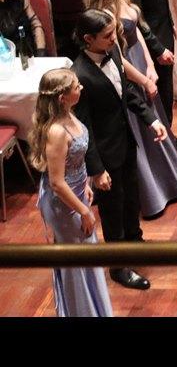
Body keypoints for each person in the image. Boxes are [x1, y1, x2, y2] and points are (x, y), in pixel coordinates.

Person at [85, 0, 177, 215]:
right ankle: (152, 194)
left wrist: (150, 65)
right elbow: (117, 58)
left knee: (154, 121)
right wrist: (142, 79)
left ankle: (169, 180)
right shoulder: (102, 13)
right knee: (139, 129)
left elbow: (138, 31)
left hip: (139, 62)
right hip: (127, 71)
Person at [72, 9, 168, 292]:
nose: (114, 39)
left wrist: (151, 119)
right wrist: (96, 170)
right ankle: (118, 266)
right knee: (112, 211)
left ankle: (136, 245)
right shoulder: (80, 75)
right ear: (88, 39)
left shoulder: (112, 53)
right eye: (107, 36)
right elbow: (84, 128)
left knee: (131, 200)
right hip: (105, 154)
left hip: (125, 143)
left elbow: (127, 92)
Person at [28, 68, 113, 317]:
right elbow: (56, 183)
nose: (81, 88)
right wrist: (84, 210)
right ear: (62, 97)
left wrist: (85, 183)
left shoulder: (69, 114)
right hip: (63, 205)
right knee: (76, 261)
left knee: (87, 254)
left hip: (76, 193)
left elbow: (73, 162)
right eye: (76, 86)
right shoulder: (56, 132)